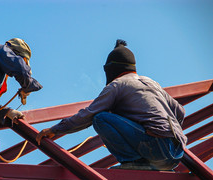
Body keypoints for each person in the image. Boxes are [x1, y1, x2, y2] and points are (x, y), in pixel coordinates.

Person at [36, 39, 187, 171]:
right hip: (177, 154)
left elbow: (87, 115)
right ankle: (148, 159)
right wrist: (167, 133)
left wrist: (55, 129)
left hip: (157, 149)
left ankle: (133, 161)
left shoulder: (117, 85)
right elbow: (180, 112)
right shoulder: (151, 82)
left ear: (111, 68)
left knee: (100, 118)